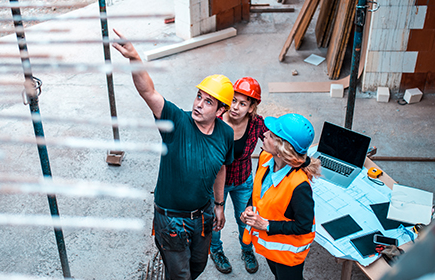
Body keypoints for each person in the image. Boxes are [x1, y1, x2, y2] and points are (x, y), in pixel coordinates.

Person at [111, 29, 235, 280]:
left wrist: (220, 205)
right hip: (171, 222)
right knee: (180, 276)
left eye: (208, 102)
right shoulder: (176, 121)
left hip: (203, 216)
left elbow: (222, 167)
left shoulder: (225, 134)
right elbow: (149, 93)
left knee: (197, 266)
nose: (198, 104)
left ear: (221, 110)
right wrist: (135, 58)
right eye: (199, 96)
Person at [240, 113, 321, 280]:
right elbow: (259, 191)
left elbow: (304, 226)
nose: (264, 134)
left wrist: (267, 225)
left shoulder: (299, 186)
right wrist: (249, 206)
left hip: (288, 256)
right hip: (271, 249)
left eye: (271, 135)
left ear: (281, 149)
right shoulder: (265, 157)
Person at [210, 77, 268, 274]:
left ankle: (247, 250)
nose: (235, 107)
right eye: (234, 100)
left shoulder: (256, 124)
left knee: (245, 219)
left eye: (243, 103)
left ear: (251, 108)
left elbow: (273, 141)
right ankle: (216, 251)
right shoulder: (216, 121)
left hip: (243, 181)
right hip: (217, 184)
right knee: (216, 220)